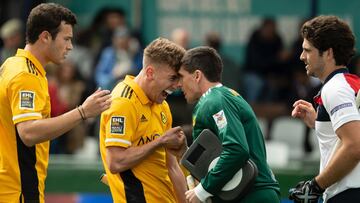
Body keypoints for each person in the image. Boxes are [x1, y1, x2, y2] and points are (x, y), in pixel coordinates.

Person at [0, 3, 112, 202]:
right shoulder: (26, 75)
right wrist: (83, 112)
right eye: (66, 39)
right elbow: (28, 132)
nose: (70, 46)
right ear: (45, 37)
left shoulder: (13, 64)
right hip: (17, 191)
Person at [178, 46, 280, 203]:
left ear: (197, 75)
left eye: (181, 77)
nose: (179, 84)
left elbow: (236, 149)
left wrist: (204, 190)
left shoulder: (215, 100)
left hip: (251, 196)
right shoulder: (219, 98)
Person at [99, 37, 188, 203]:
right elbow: (116, 162)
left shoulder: (162, 105)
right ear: (150, 73)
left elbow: (173, 167)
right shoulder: (123, 102)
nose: (178, 85)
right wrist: (159, 141)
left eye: (180, 79)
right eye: (173, 78)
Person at [289, 15, 360, 203]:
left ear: (328, 53)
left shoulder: (335, 89)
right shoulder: (349, 84)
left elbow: (354, 146)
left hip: (348, 193)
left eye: (307, 50)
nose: (301, 56)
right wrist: (319, 123)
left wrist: (315, 186)